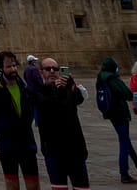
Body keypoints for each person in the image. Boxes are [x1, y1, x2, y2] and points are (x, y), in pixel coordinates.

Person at [0, 51, 39, 190]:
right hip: (7, 145)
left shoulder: (24, 87)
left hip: (27, 143)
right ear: (1, 68)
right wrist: (2, 130)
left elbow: (31, 107)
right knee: (12, 183)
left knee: (33, 182)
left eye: (14, 65)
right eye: (9, 66)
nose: (13, 69)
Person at [35, 57, 90, 190]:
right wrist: (61, 91)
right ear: (41, 72)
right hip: (54, 152)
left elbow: (78, 99)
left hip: (76, 150)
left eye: (56, 69)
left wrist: (72, 85)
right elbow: (53, 108)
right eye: (48, 69)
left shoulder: (68, 91)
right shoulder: (39, 93)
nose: (52, 71)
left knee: (82, 187)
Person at [97, 57, 137, 184]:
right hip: (120, 112)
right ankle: (124, 173)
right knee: (124, 142)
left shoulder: (101, 77)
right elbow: (127, 93)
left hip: (110, 112)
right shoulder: (113, 78)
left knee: (125, 139)